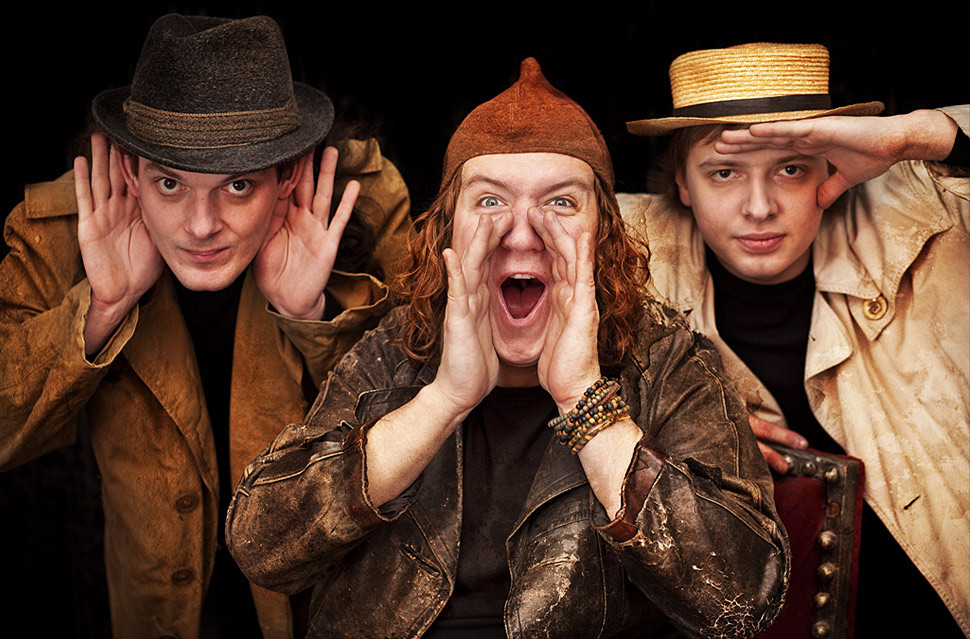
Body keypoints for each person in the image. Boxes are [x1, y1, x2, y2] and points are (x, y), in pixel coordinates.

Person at [226, 57, 788, 639]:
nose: (521, 234)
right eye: (490, 202)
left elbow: (744, 598)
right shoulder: (391, 351)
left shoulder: (668, 360)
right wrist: (444, 399)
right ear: (446, 231)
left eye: (561, 203)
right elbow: (263, 549)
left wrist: (584, 400)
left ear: (605, 234)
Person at [0, 14, 410, 639]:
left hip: (330, 613)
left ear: (287, 176)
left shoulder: (361, 204)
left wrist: (315, 315)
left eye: (237, 185)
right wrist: (101, 309)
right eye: (170, 183)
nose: (200, 226)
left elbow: (434, 431)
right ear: (131, 174)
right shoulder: (63, 227)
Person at [620, 42, 969, 635]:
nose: (759, 208)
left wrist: (913, 136)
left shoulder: (928, 211)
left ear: (833, 168)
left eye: (790, 168)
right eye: (724, 172)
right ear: (682, 183)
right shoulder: (626, 252)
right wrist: (674, 427)